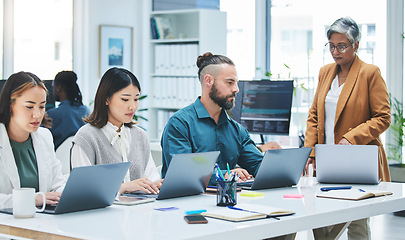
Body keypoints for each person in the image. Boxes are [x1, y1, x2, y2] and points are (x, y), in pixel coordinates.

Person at [303, 17, 391, 240]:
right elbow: (314, 116)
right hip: (327, 158)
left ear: (356, 45)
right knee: (322, 215)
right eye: (331, 46)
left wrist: (351, 138)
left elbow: (383, 117)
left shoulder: (370, 73)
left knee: (357, 220)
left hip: (356, 158)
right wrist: (310, 152)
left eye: (341, 46)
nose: (335, 52)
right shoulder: (325, 72)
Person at [0, 71, 67, 239]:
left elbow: (57, 183)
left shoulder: (44, 137)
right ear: (10, 104)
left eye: (41, 106)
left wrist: (67, 195)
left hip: (38, 231)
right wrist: (36, 199)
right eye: (29, 106)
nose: (37, 114)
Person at [161, 52, 281, 185]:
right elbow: (182, 173)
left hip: (225, 201)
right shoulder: (180, 124)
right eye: (229, 82)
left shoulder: (236, 130)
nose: (236, 89)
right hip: (185, 202)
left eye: (236, 83)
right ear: (208, 81)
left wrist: (282, 168)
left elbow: (259, 166)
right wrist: (225, 174)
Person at [71, 67, 162, 195]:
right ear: (106, 99)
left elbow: (151, 178)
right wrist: (122, 187)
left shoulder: (140, 135)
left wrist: (155, 185)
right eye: (125, 99)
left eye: (136, 99)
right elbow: (82, 191)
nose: (133, 106)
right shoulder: (86, 137)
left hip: (140, 211)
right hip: (102, 214)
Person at [47, 70, 90, 149]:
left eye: (53, 87)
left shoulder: (52, 115)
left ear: (58, 88)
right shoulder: (86, 111)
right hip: (82, 158)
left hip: (58, 159)